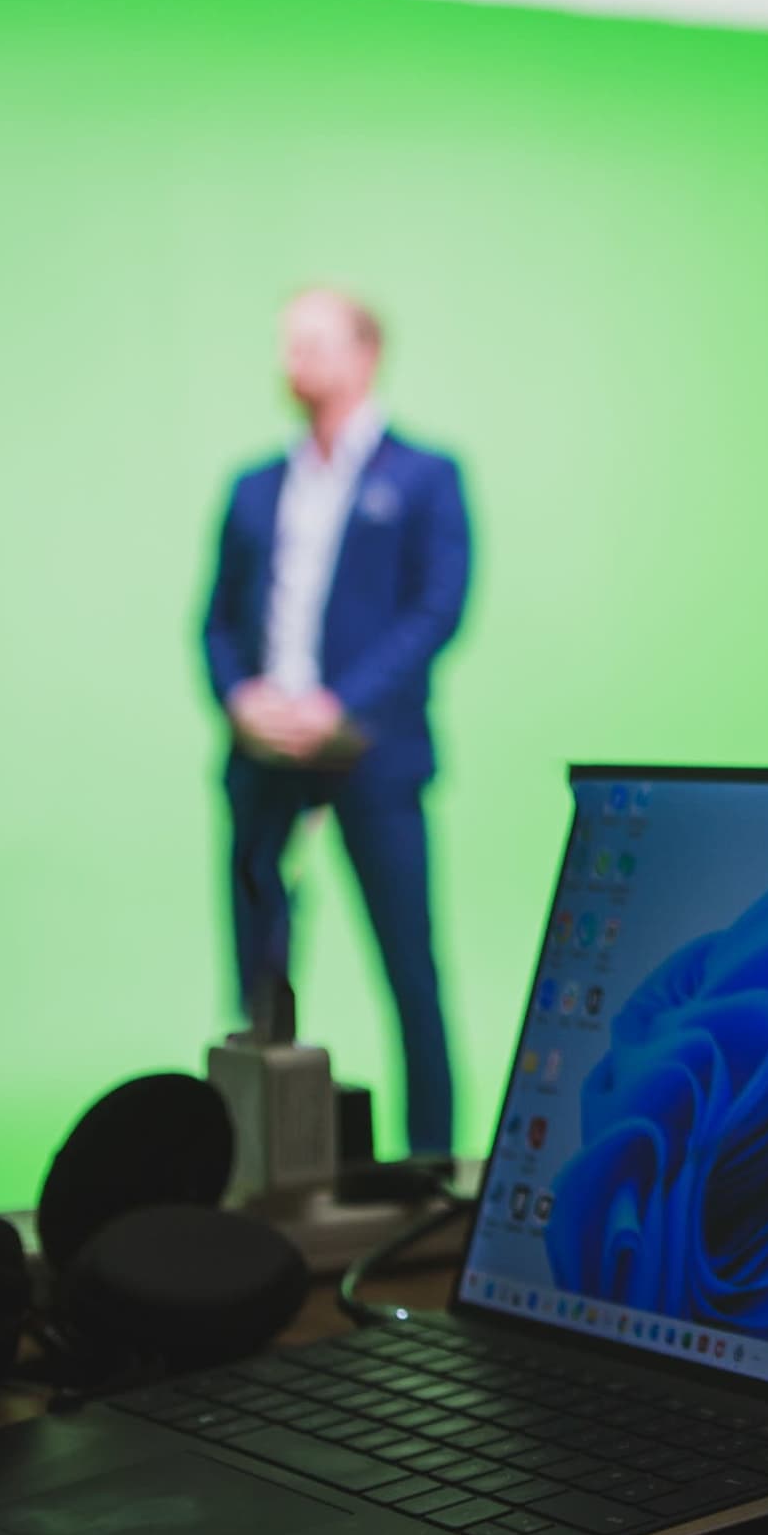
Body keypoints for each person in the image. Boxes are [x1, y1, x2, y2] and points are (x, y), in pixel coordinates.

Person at [200, 289, 475, 1160]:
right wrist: (243, 698)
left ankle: (433, 1166)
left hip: (375, 759)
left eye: (312, 344)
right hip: (263, 761)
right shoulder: (253, 486)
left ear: (365, 354)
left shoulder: (425, 477)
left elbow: (436, 609)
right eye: (287, 344)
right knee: (260, 988)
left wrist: (340, 707)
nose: (293, 362)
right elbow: (214, 620)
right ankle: (258, 1165)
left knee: (410, 970)